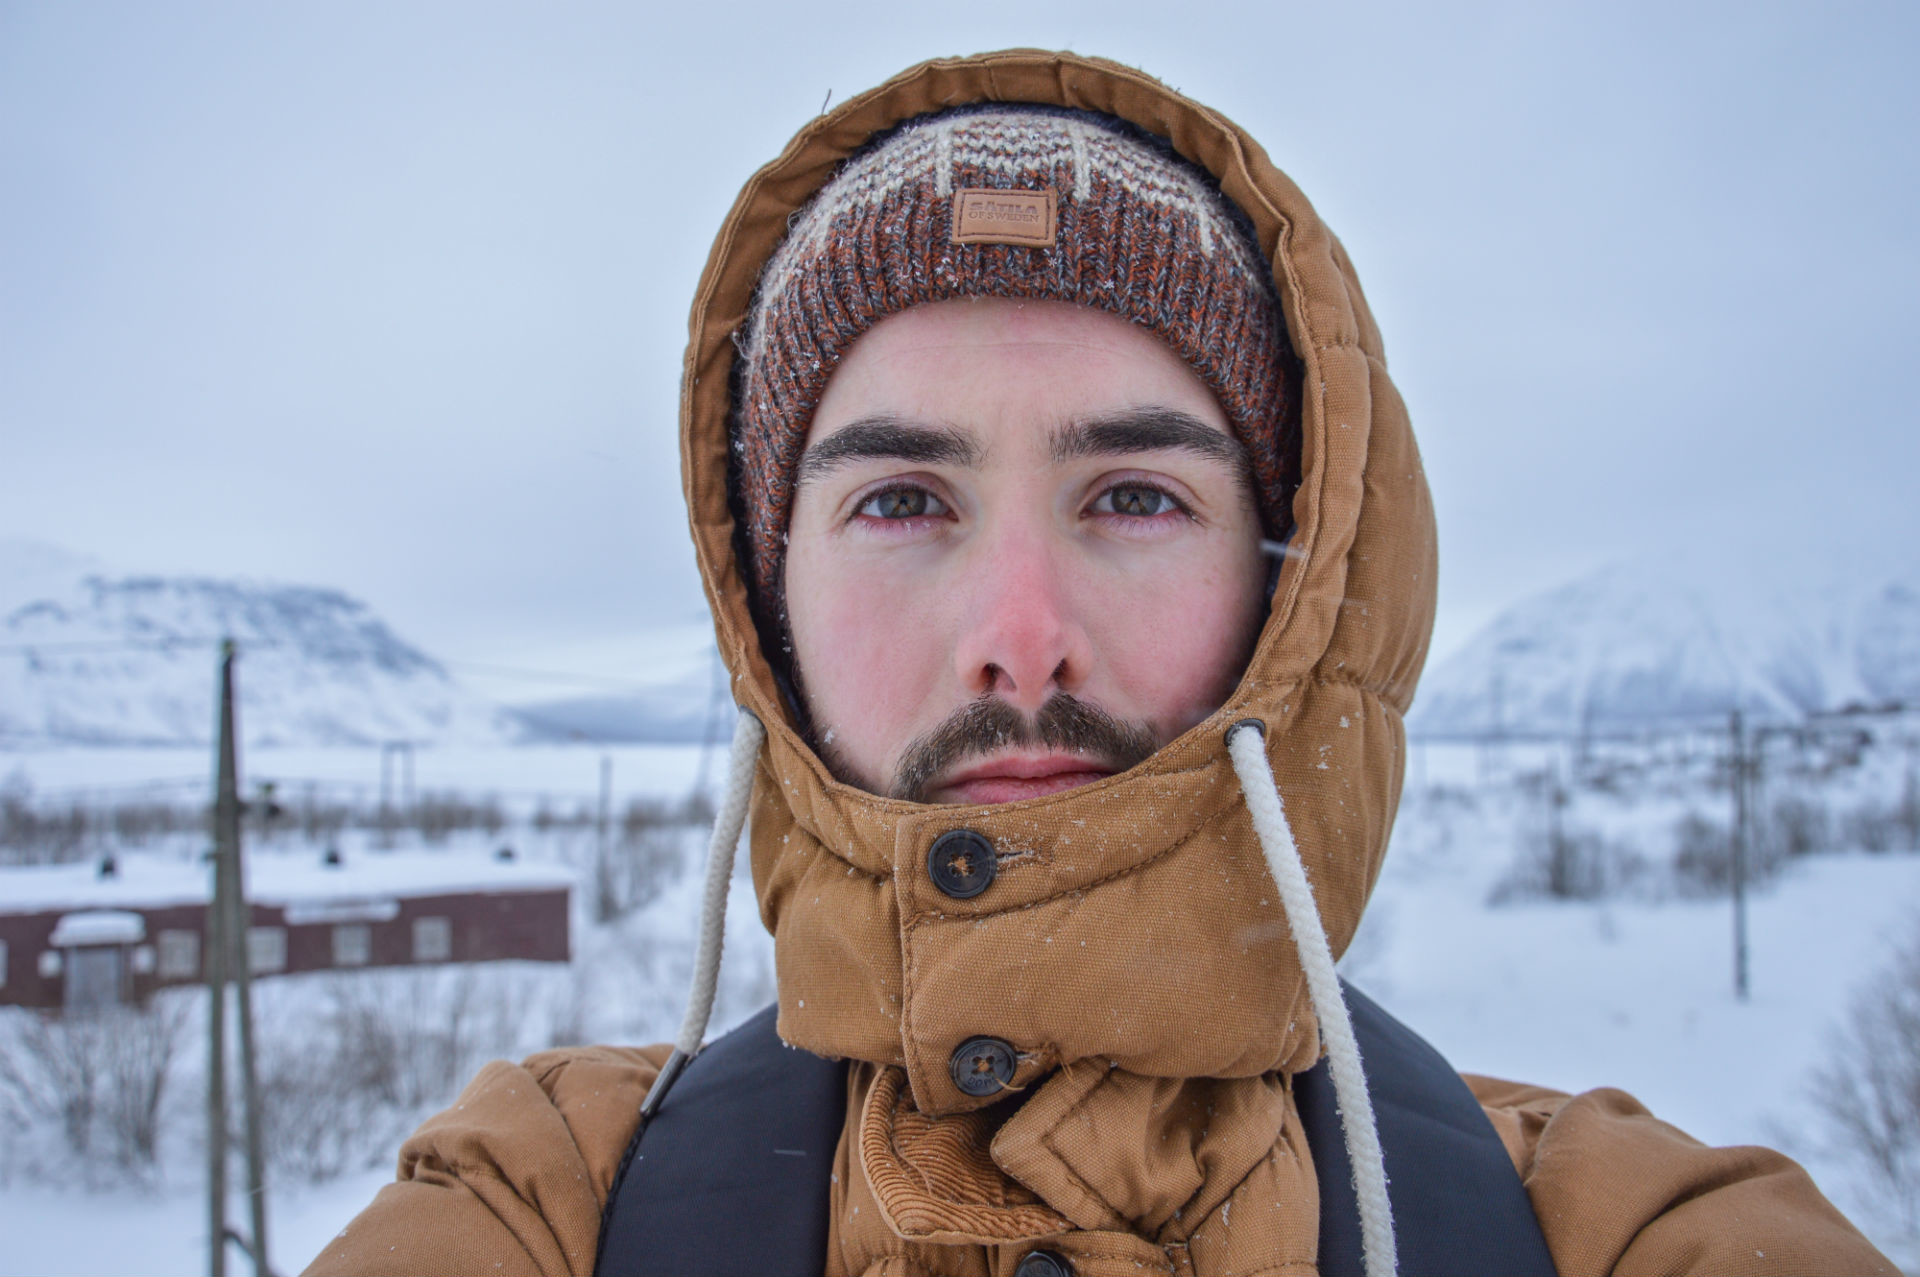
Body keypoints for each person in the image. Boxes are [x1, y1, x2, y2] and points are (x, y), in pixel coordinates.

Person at [304, 50, 1893, 1277]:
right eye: (900, 498)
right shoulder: (550, 1200)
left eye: (1135, 495)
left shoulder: (1602, 1224)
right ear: (765, 601)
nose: (1015, 634)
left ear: (1296, 589)